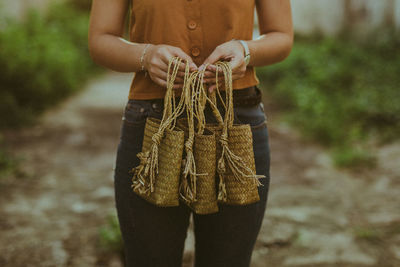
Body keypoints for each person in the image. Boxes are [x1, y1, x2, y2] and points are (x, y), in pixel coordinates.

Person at [88, 0, 293, 266]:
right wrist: (147, 56)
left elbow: (282, 36)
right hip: (154, 122)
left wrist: (246, 50)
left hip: (236, 120)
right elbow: (100, 40)